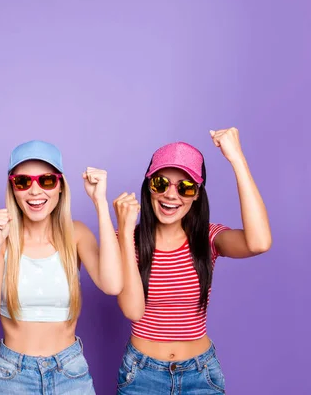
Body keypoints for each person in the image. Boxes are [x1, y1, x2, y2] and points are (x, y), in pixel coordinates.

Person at [113, 128, 271, 394]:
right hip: (141, 375)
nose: (171, 195)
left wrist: (237, 159)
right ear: (148, 186)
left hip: (201, 375)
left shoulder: (208, 238)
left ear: (197, 195)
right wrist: (126, 234)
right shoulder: (123, 238)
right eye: (161, 184)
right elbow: (132, 310)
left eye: (186, 187)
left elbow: (259, 243)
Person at [0, 139, 124, 394]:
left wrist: (100, 203)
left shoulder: (75, 234)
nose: (35, 191)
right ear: (13, 188)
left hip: (70, 372)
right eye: (23, 182)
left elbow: (112, 285)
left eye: (46, 180)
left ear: (60, 187)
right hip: (13, 376)